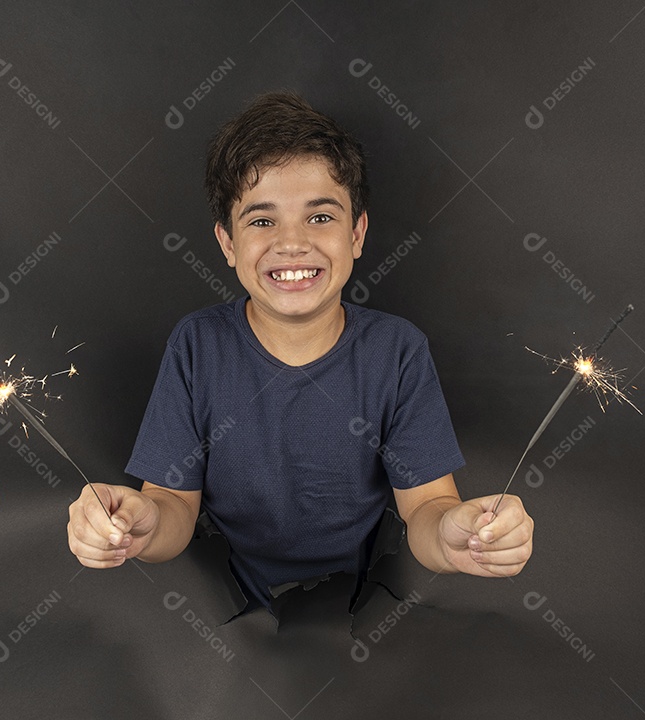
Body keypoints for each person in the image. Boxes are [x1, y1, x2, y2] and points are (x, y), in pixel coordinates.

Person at [66, 90, 534, 613]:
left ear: (357, 233)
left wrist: (455, 534)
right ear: (227, 244)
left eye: (320, 218)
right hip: (226, 595)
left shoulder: (397, 351)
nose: (291, 244)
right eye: (262, 221)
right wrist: (142, 527)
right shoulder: (197, 346)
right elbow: (172, 505)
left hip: (362, 597)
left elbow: (427, 506)